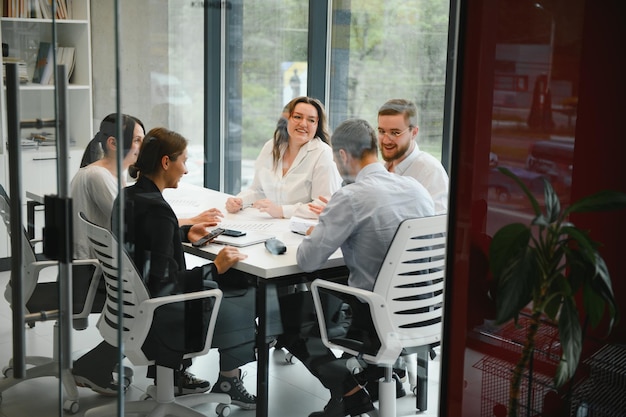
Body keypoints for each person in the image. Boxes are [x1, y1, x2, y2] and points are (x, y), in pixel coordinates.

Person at [282, 118, 435, 417]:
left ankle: (351, 394)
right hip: (427, 311)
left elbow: (308, 261)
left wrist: (319, 232)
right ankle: (376, 380)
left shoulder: (351, 196)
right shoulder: (416, 188)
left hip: (379, 318)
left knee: (288, 315)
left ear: (342, 156)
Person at [111, 127, 258, 409]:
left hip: (131, 308)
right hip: (164, 319)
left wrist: (183, 232)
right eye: (184, 161)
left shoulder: (127, 197)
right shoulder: (158, 210)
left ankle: (174, 377)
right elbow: (167, 284)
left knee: (229, 285)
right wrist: (215, 267)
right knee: (248, 297)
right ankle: (229, 380)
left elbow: (142, 248)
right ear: (166, 162)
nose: (186, 170)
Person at [225, 96, 342, 219]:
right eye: (297, 117)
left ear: (317, 125)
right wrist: (239, 201)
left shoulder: (324, 155)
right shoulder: (271, 146)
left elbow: (324, 206)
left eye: (311, 120)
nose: (303, 124)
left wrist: (281, 211)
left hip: (301, 230)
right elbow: (258, 190)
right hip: (268, 223)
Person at [377, 98, 449, 214]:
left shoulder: (431, 171)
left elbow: (438, 226)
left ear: (414, 133)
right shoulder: (379, 167)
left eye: (395, 133)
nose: (386, 140)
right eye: (381, 131)